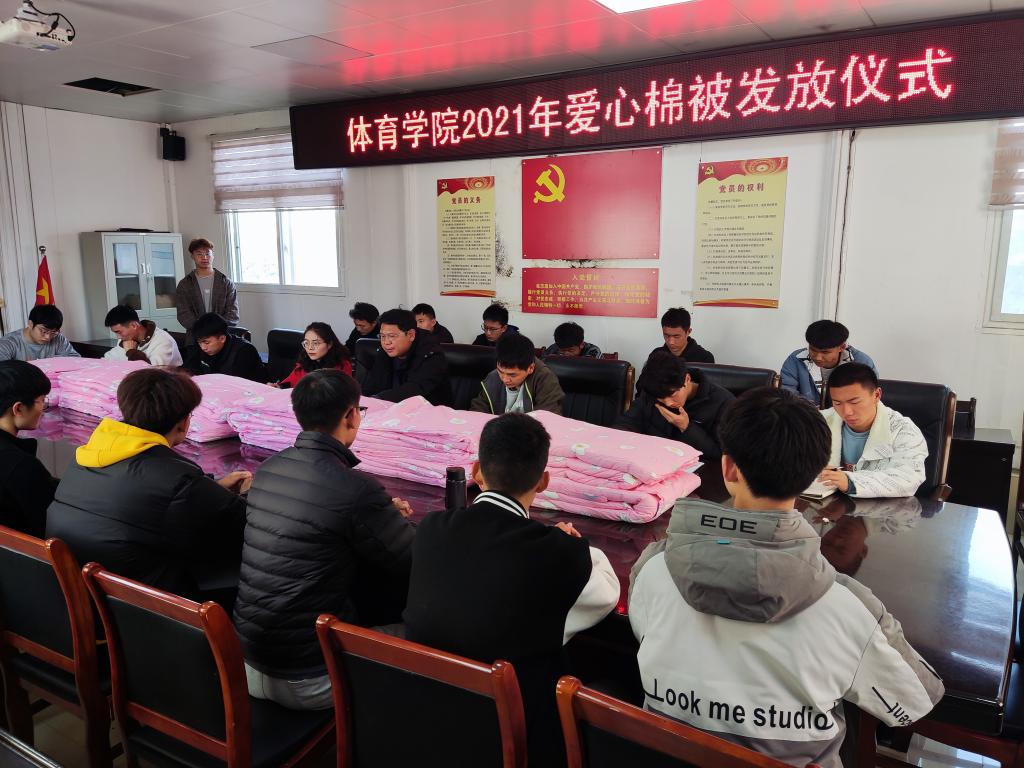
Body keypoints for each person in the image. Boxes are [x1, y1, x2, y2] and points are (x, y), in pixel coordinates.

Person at [628, 387, 943, 768]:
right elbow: (916, 700)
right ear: (813, 475)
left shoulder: (651, 567)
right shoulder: (850, 607)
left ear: (728, 469)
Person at [404, 413, 618, 768]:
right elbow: (607, 592)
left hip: (425, 722)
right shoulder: (557, 555)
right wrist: (568, 544)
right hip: (516, 740)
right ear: (544, 482)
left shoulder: (430, 528)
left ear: (476, 472)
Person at [234, 370, 416, 710]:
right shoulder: (355, 488)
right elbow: (412, 559)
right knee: (424, 637)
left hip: (245, 665)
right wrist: (389, 518)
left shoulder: (269, 469)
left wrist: (379, 513)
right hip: (310, 677)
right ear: (350, 415)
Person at [46, 368, 250, 604]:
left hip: (79, 595)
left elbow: (149, 498)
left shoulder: (87, 454)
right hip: (150, 607)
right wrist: (247, 493)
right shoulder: (177, 477)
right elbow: (242, 523)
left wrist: (212, 488)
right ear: (183, 423)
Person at [817, 362, 927, 498]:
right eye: (837, 403)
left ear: (876, 395)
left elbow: (908, 478)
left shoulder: (903, 430)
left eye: (854, 402)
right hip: (830, 505)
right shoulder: (820, 422)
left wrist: (849, 481)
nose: (846, 412)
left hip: (885, 508)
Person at [616, 351, 733, 459]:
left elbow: (722, 455)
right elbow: (626, 423)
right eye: (661, 398)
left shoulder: (723, 402)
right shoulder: (653, 391)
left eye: (672, 395)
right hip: (652, 461)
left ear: (687, 379)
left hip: (697, 469)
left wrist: (686, 427)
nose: (668, 403)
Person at [0, 361, 58, 537]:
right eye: (42, 401)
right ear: (18, 408)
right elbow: (50, 521)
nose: (43, 408)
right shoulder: (20, 465)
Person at [361, 309, 452, 406]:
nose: (386, 342)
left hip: (428, 410)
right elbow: (373, 382)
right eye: (382, 336)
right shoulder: (385, 351)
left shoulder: (432, 353)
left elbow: (416, 389)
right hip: (391, 408)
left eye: (392, 336)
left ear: (411, 335)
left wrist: (377, 399)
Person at [781, 320, 877, 406]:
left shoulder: (862, 363)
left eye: (825, 352)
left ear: (842, 347)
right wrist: (807, 410)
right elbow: (786, 392)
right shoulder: (795, 359)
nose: (818, 357)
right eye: (813, 350)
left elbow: (867, 396)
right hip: (806, 415)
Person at [470, 333, 564, 415]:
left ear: (530, 368)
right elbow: (478, 408)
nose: (504, 379)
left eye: (512, 375)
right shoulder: (493, 377)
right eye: (500, 371)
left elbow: (548, 416)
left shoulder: (545, 379)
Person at [175, 237, 239, 346]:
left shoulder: (226, 282)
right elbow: (183, 314)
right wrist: (203, 332)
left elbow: (232, 313)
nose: (204, 257)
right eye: (199, 254)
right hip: (195, 339)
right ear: (192, 256)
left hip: (221, 339)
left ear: (213, 255)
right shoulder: (185, 284)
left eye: (207, 254)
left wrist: (216, 332)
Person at [182, 313, 266, 382]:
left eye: (207, 342)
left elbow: (240, 384)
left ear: (222, 338)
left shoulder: (244, 351)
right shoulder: (200, 346)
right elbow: (188, 371)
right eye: (199, 342)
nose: (203, 347)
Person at [274, 322, 352, 389]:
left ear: (329, 344)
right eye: (306, 343)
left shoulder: (342, 366)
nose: (310, 348)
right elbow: (290, 382)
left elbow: (341, 393)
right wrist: (279, 386)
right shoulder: (305, 362)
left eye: (315, 343)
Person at [102, 305, 183, 367]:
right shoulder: (127, 340)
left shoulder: (163, 341)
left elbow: (152, 374)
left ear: (134, 325)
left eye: (119, 332)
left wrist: (131, 352)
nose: (118, 337)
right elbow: (109, 359)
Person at [0, 305, 80, 362]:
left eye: (53, 332)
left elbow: (76, 361)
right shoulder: (8, 343)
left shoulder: (58, 338)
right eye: (44, 331)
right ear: (31, 324)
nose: (48, 337)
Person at [650, 307, 714, 363]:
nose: (671, 342)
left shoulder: (704, 358)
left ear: (688, 332)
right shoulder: (656, 355)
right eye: (667, 336)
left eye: (676, 336)